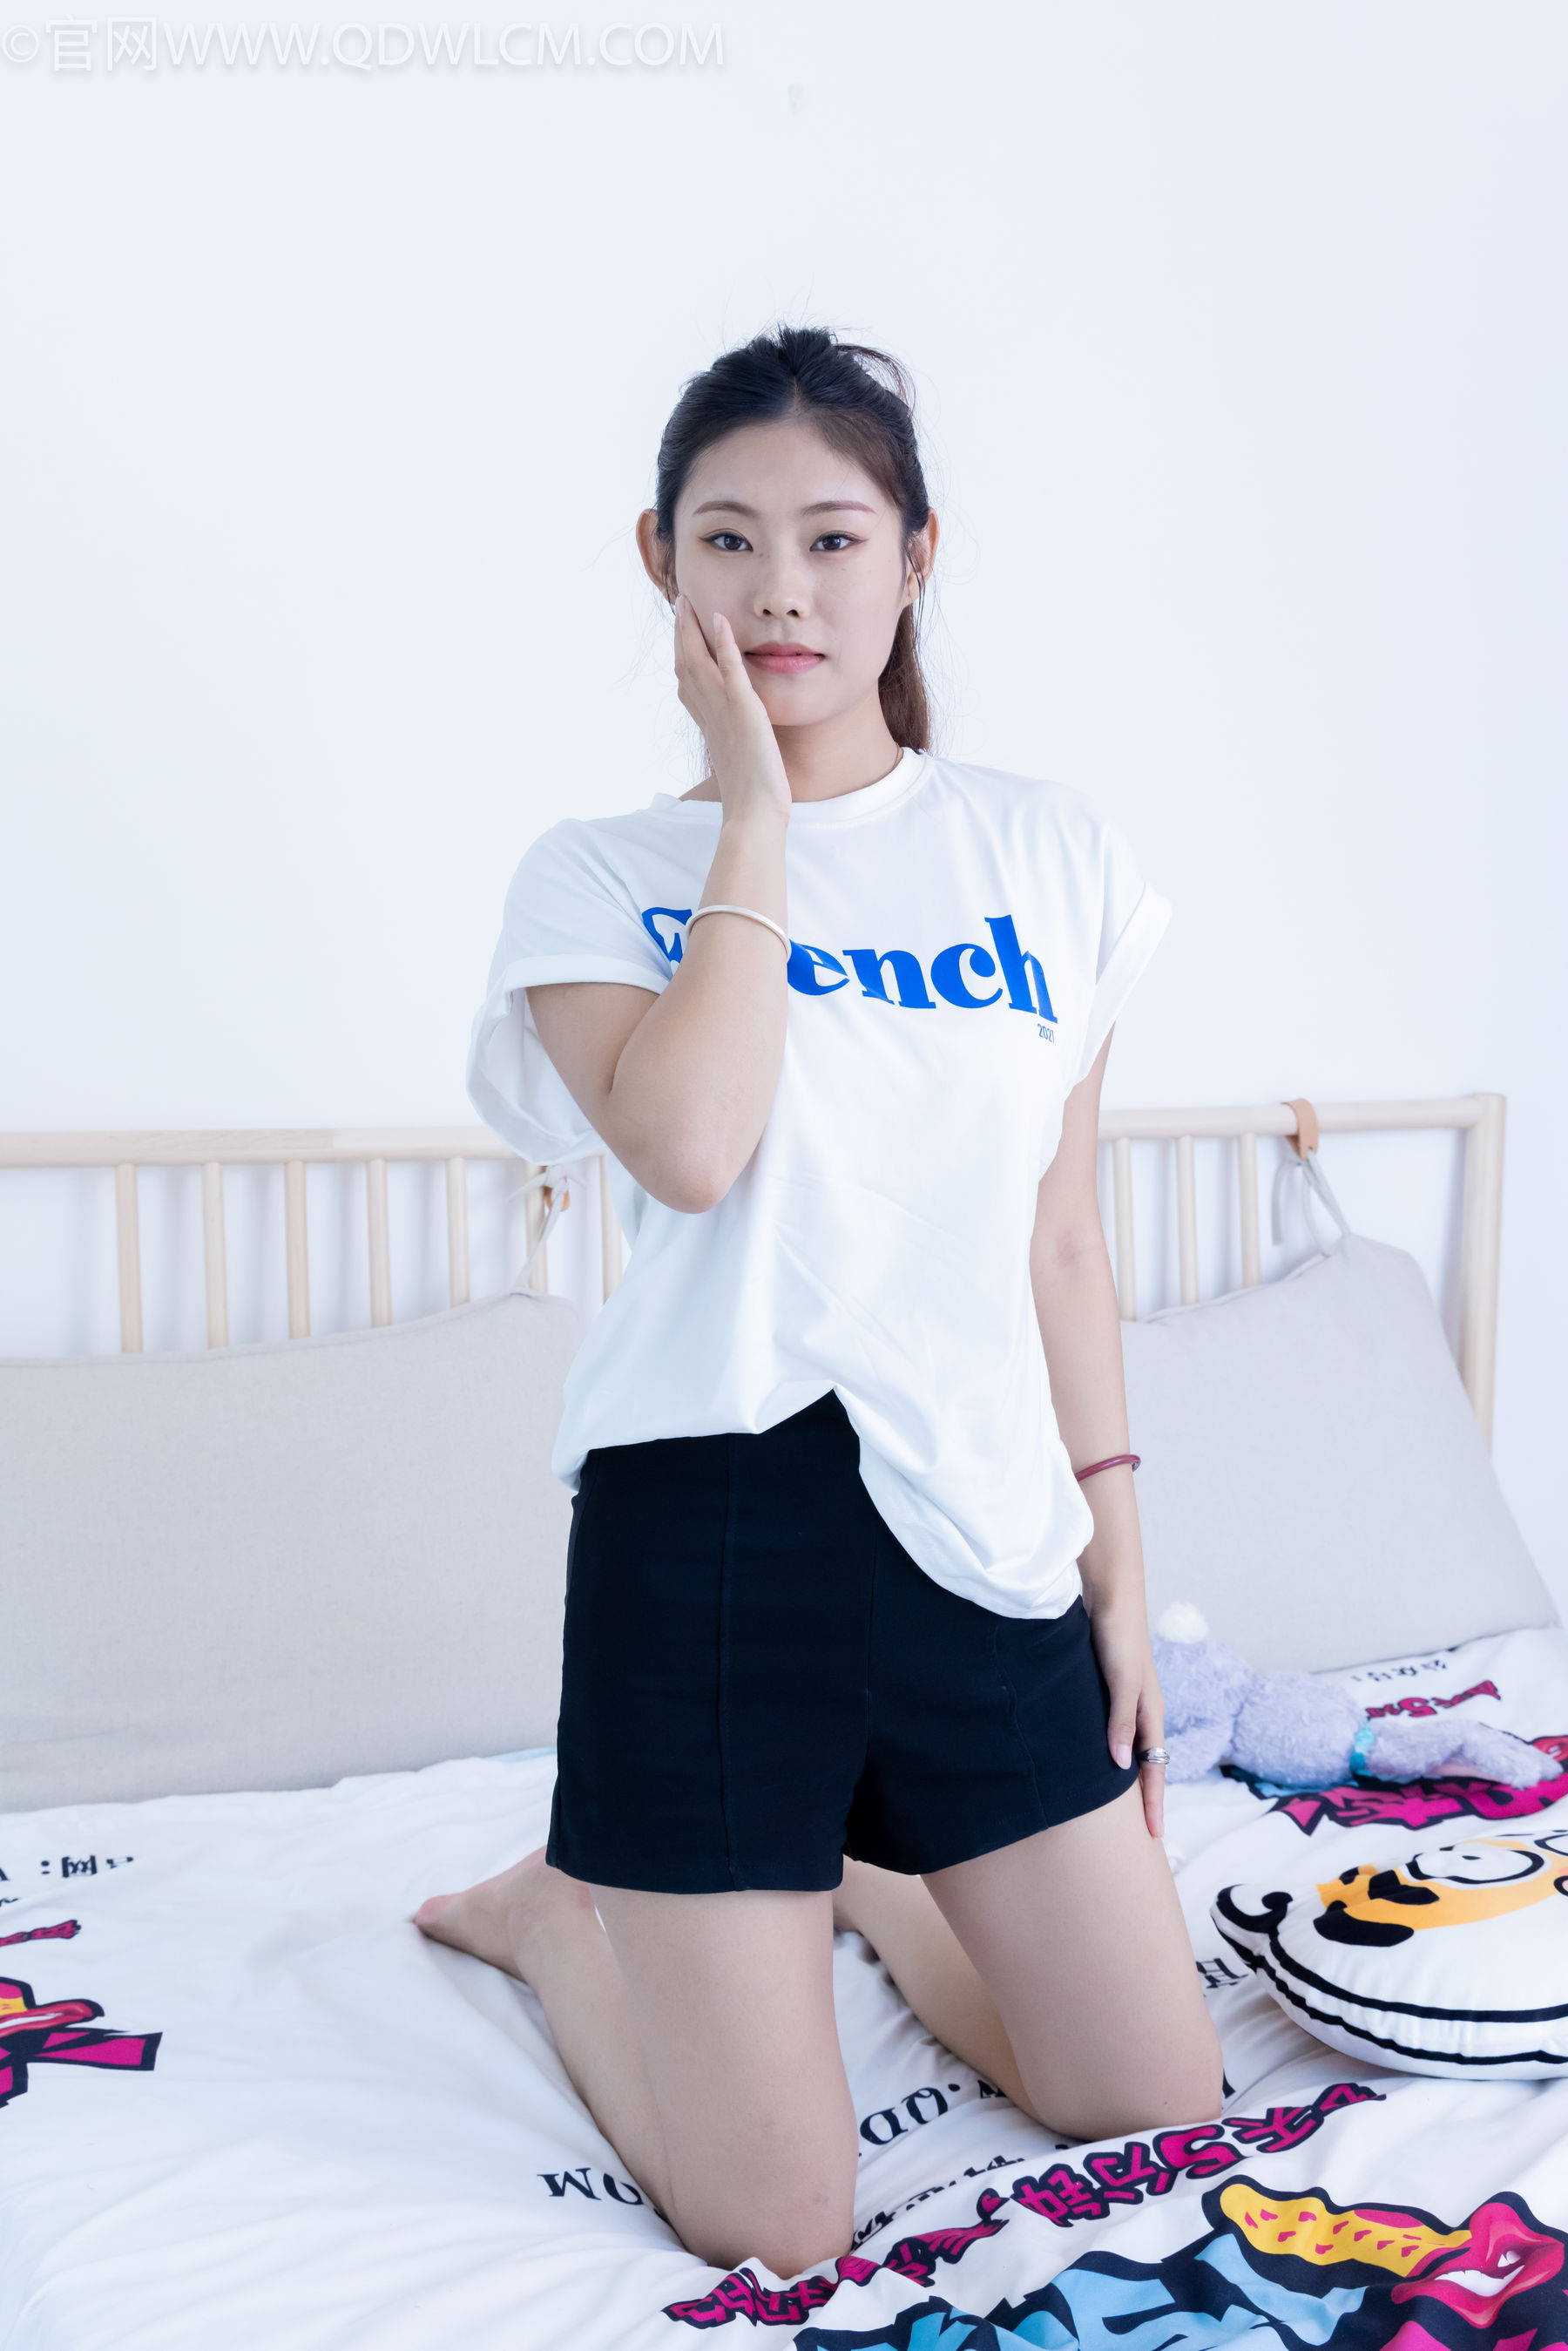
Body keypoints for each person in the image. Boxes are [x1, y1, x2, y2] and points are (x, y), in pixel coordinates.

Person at [415, 324, 1224, 2280]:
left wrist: (1118, 1556)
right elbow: (694, 1146)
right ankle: (555, 1915)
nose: (781, 588)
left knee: (1158, 2104)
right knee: (779, 2230)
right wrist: (755, 812)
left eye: (834, 538)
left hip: (983, 1530)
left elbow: (1059, 1235)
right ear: (661, 562)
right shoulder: (598, 877)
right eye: (730, 539)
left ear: (916, 558)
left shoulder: (1045, 853)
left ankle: (861, 1868)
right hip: (711, 1532)